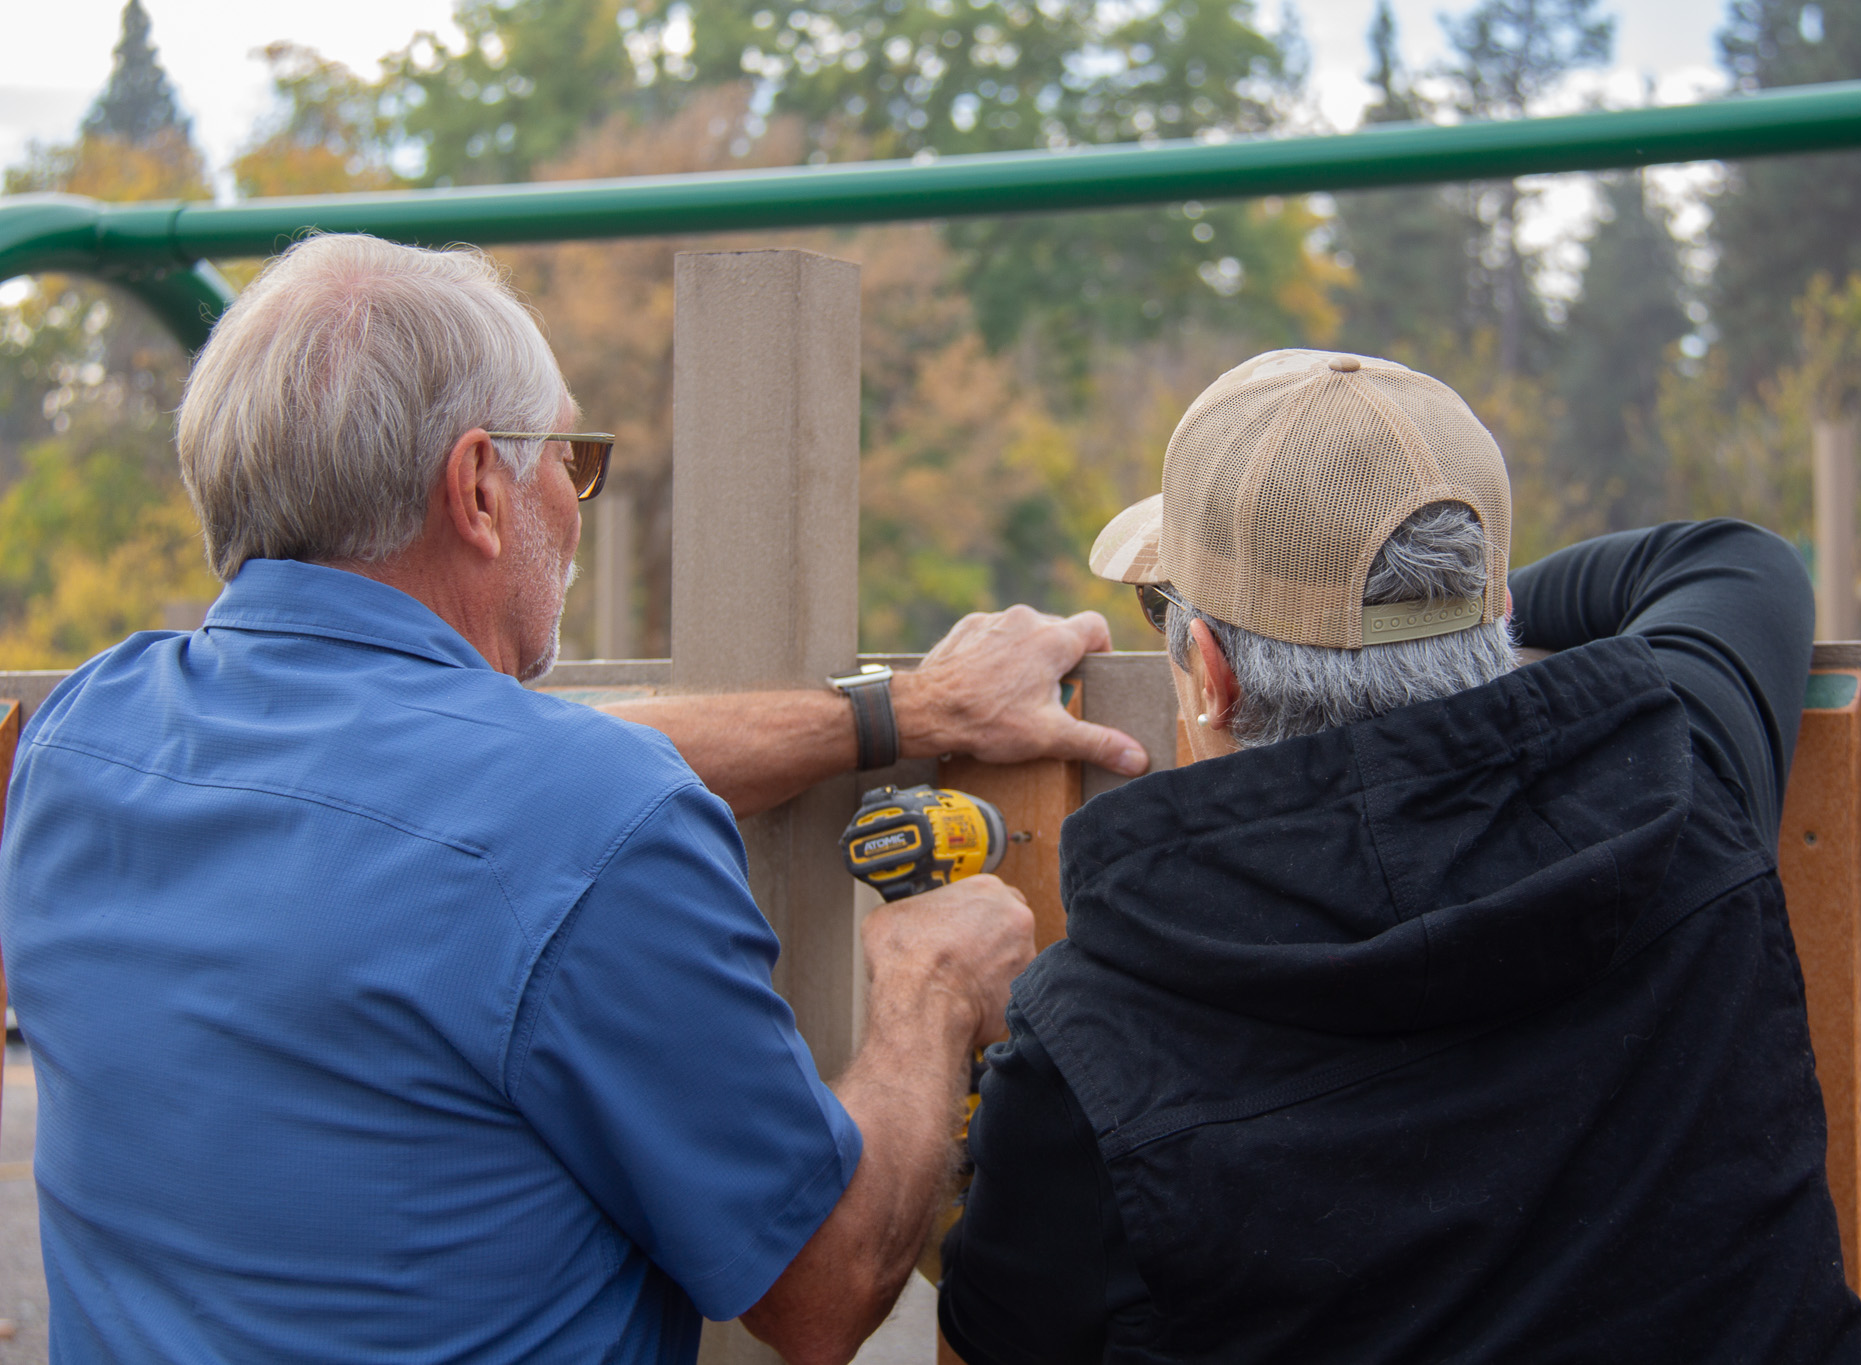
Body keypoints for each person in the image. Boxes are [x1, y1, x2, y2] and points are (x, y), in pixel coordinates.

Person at [0, 233, 1147, 1365]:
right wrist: (929, 987)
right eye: (569, 459)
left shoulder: (80, 737)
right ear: (480, 488)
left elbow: (480, 776)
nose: (576, 499)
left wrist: (900, 715)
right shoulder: (582, 817)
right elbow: (823, 1288)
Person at [938, 349, 1861, 1364]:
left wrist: (929, 1002)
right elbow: (1730, 562)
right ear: (1499, 618)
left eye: (1164, 614)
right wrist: (1432, 614)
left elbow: (1000, 1328)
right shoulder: (1679, 794)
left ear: (1208, 676)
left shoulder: (1094, 1038)